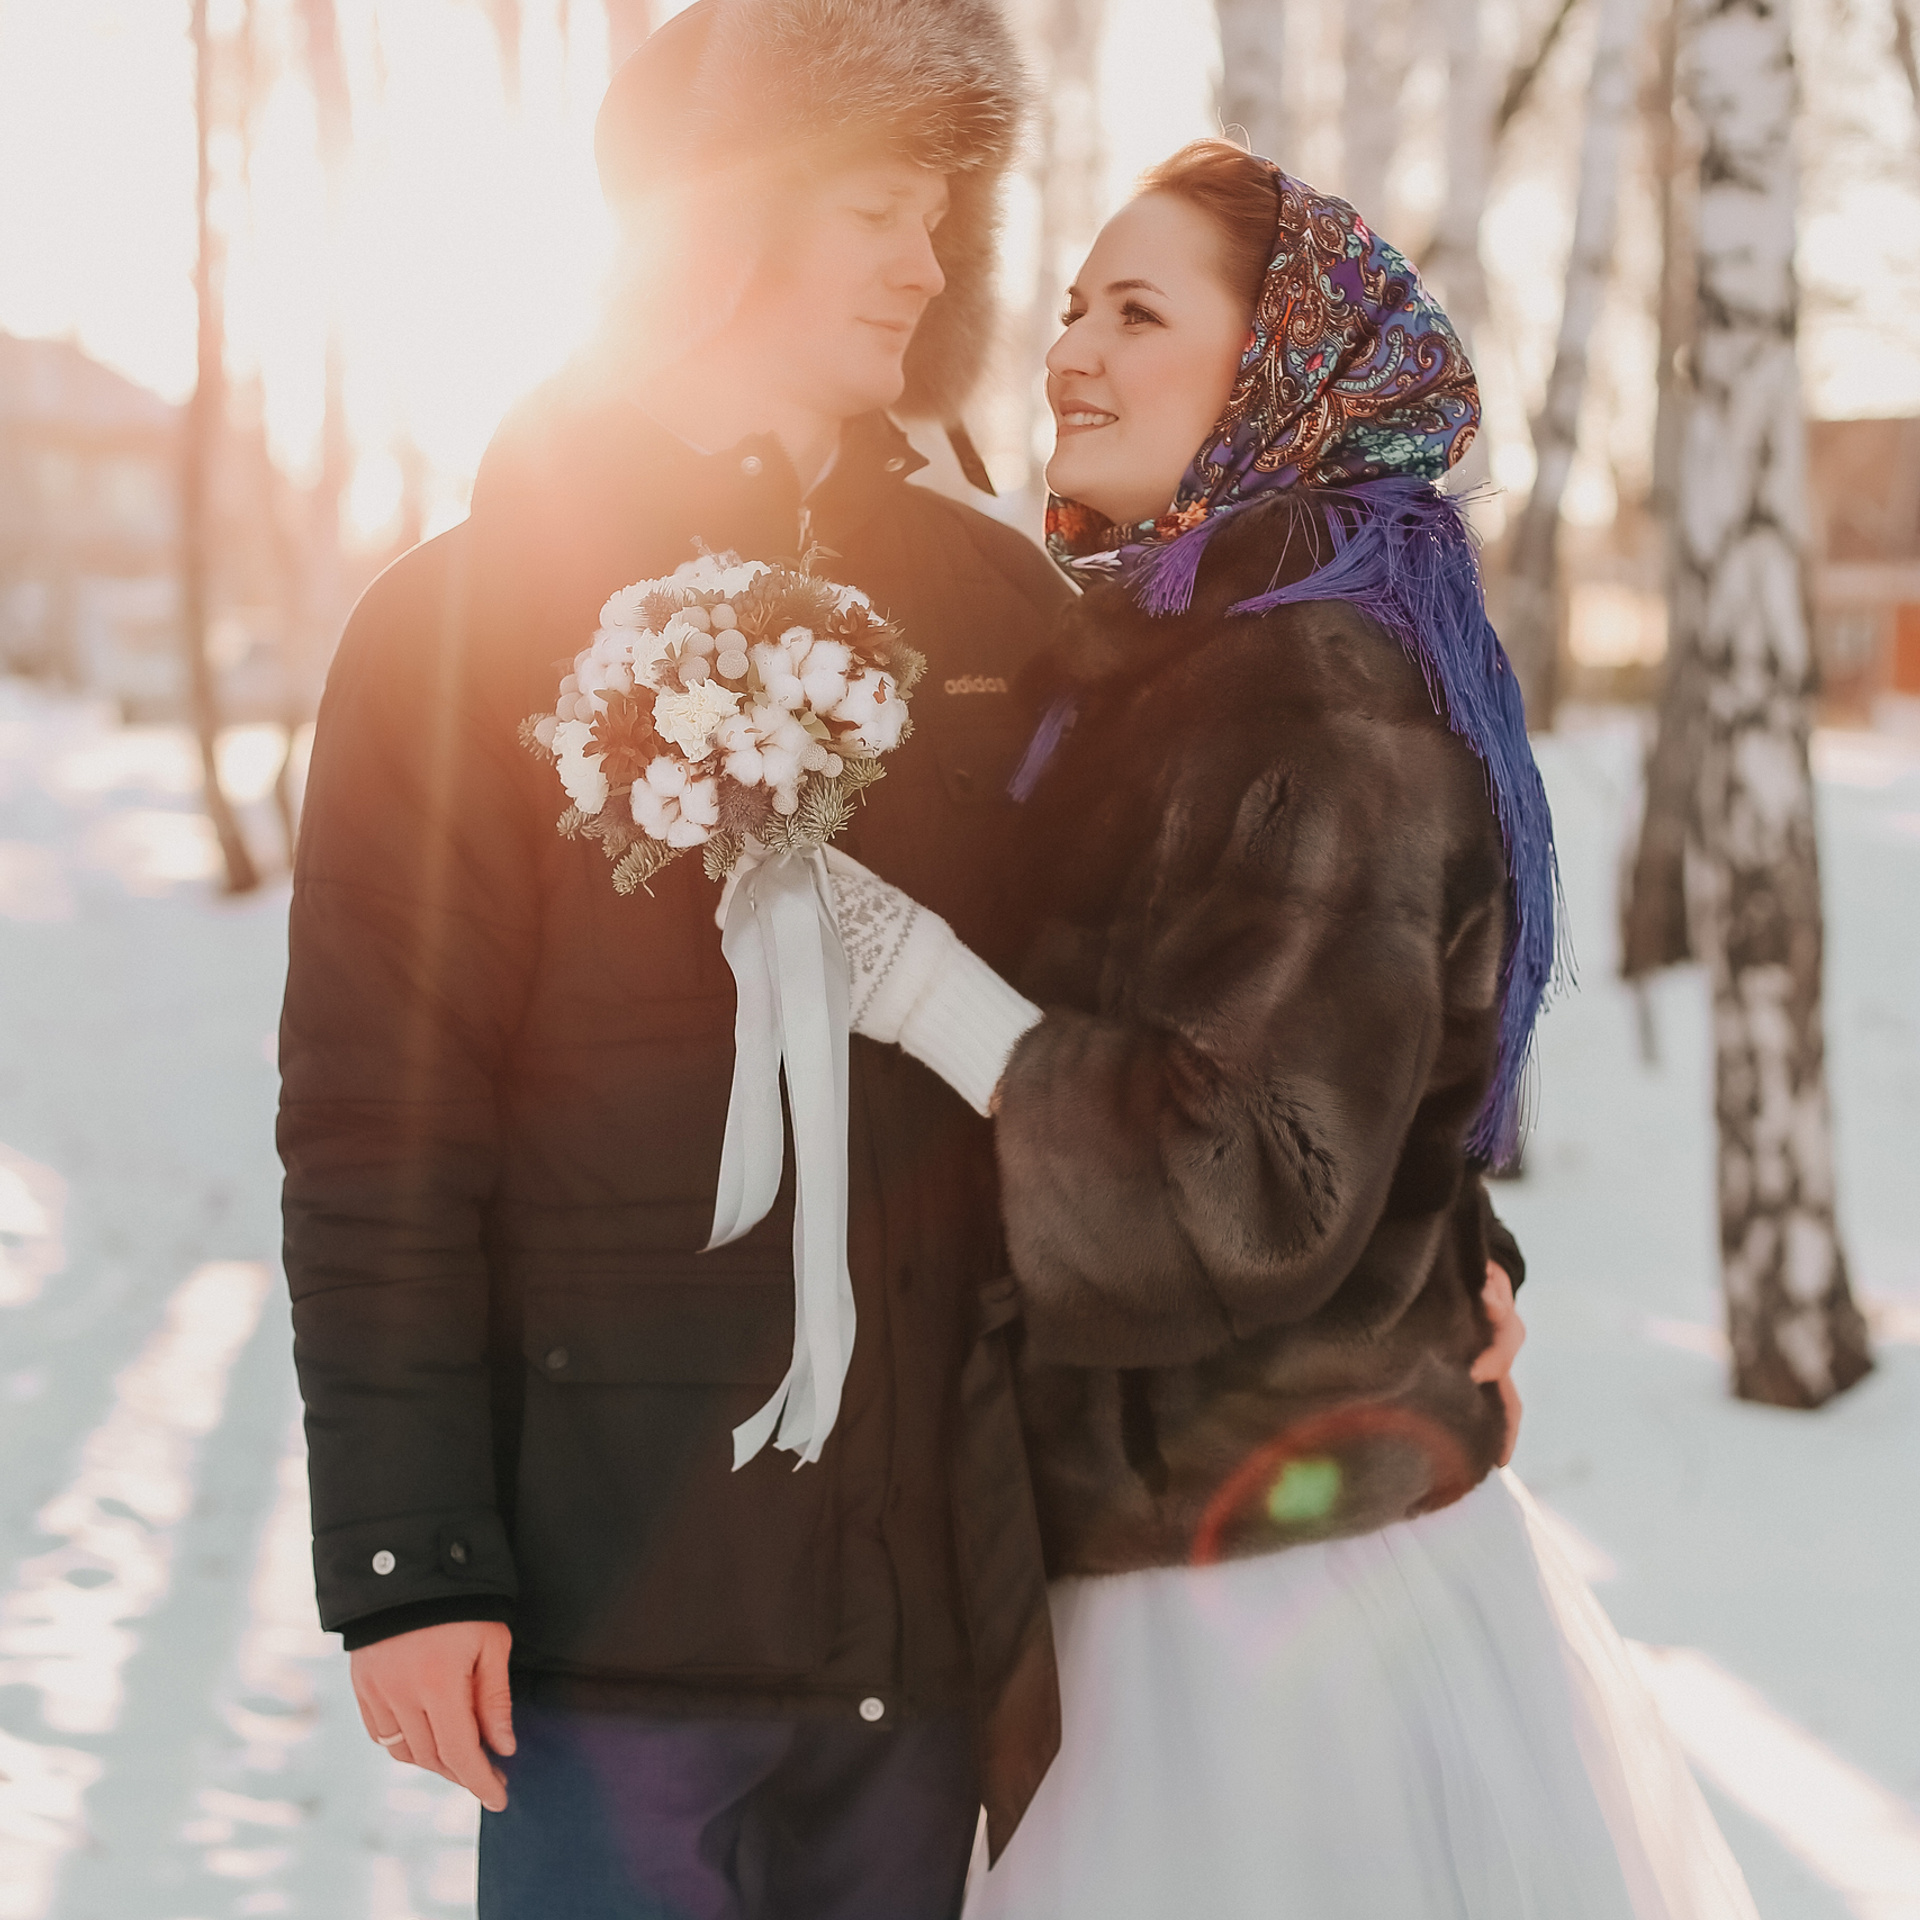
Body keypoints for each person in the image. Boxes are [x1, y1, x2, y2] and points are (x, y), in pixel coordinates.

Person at [820, 142, 1762, 1918]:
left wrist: (935, 999)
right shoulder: (1183, 663)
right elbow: (1366, 1096)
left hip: (1255, 1618)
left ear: (1275, 373)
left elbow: (1255, 1171)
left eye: (1139, 312)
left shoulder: (1319, 687)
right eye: (1077, 306)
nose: (1067, 353)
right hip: (1175, 1549)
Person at [277, 4, 1074, 1915]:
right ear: (720, 223)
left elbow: (1183, 1011)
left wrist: (1444, 1239)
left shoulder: (1000, 605)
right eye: (878, 205)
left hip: (918, 1627)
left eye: (943, 212)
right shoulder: (455, 624)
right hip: (597, 1625)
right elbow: (379, 1124)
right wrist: (415, 1564)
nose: (927, 259)